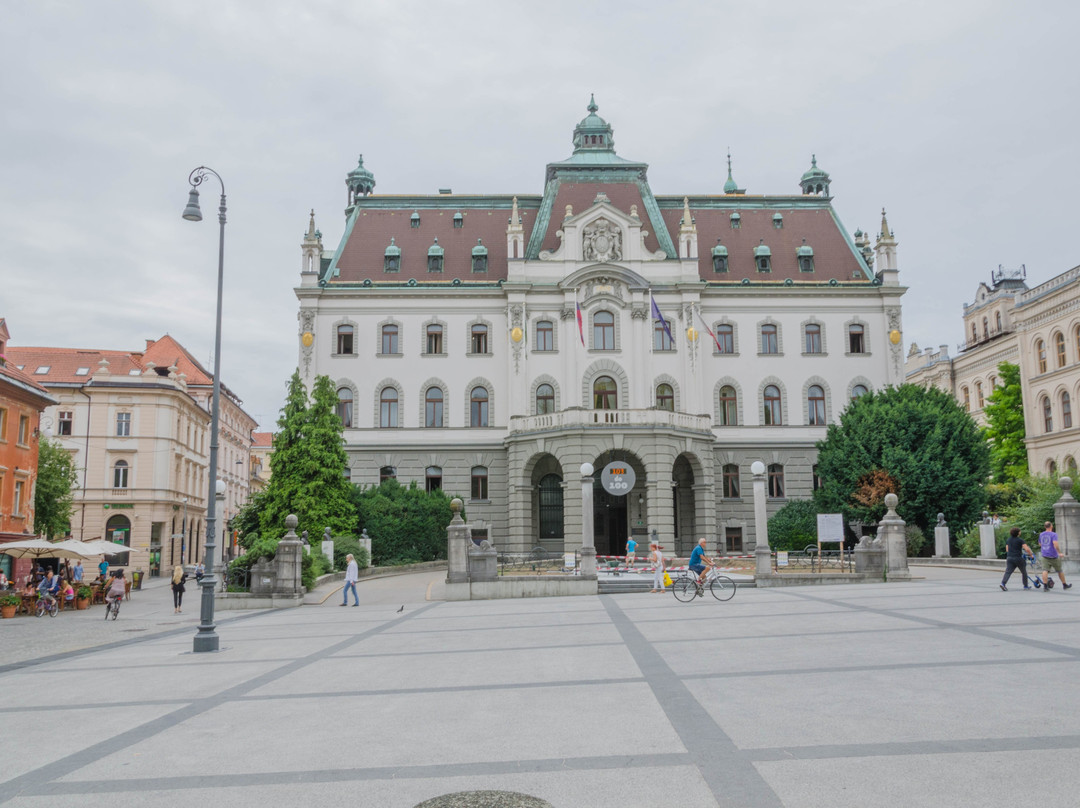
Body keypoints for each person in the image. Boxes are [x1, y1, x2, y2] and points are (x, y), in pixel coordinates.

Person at [1038, 521, 1072, 591]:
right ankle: (1064, 584)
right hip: (1053, 555)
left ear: (1045, 527)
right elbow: (1055, 544)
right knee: (1059, 570)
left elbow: (1040, 544)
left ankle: (1045, 587)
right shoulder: (1054, 534)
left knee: (1045, 570)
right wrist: (1059, 552)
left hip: (1044, 555)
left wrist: (1045, 548)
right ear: (1051, 526)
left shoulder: (1041, 534)